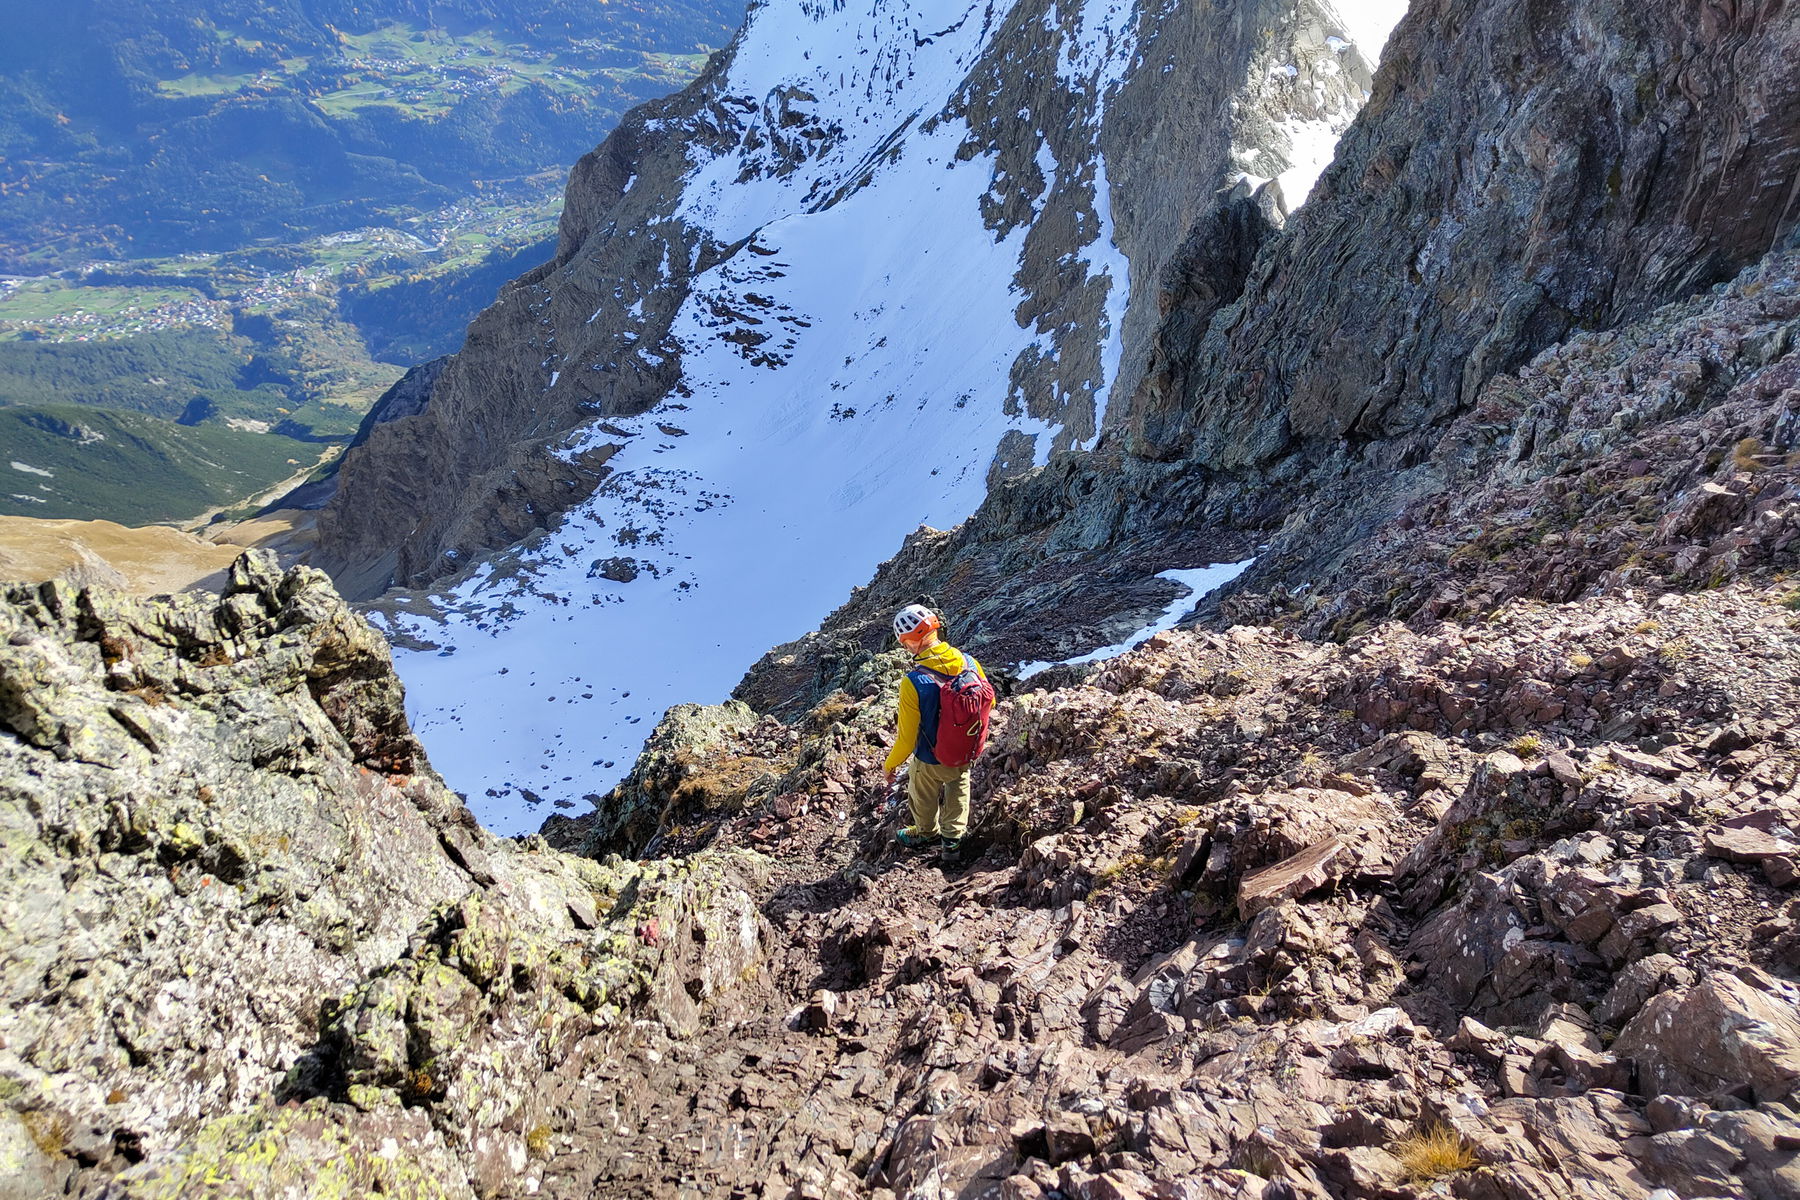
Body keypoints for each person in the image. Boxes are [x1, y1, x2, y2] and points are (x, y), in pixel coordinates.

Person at [883, 604, 991, 852]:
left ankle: (925, 832)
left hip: (930, 758)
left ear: (910, 641)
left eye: (904, 643)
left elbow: (907, 740)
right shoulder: (969, 663)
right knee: (959, 787)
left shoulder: (913, 682)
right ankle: (952, 841)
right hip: (966, 750)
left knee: (921, 791)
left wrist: (890, 765)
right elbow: (990, 701)